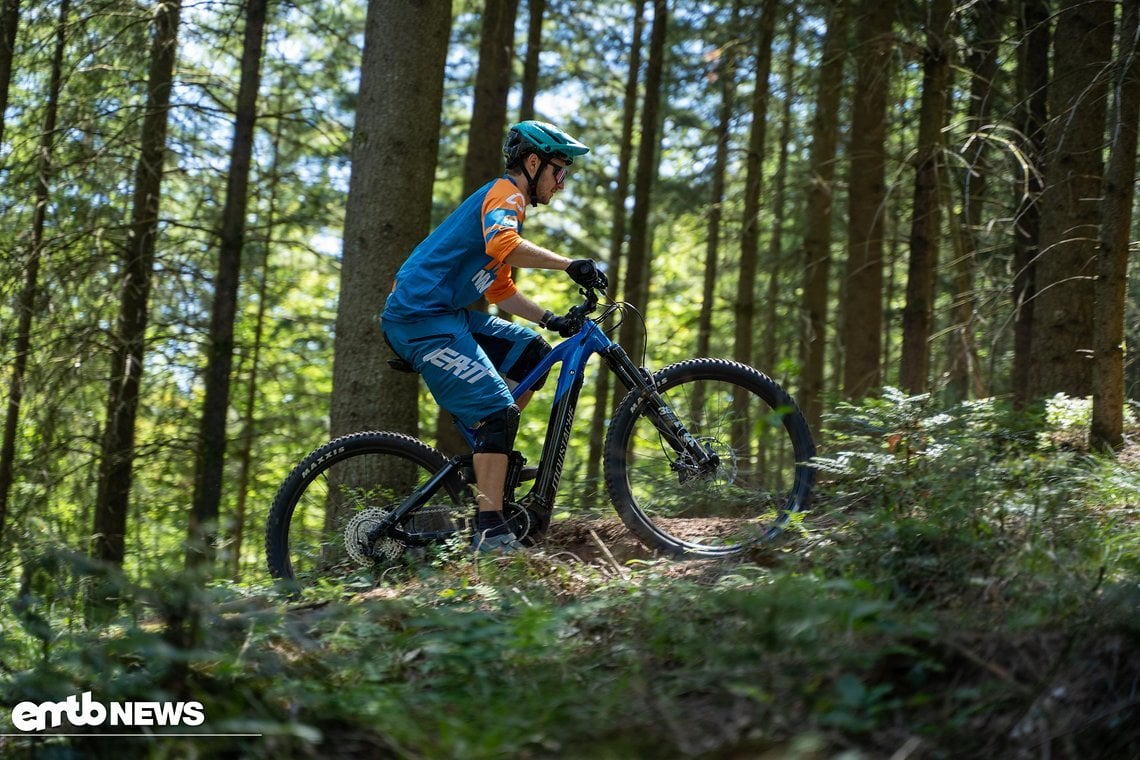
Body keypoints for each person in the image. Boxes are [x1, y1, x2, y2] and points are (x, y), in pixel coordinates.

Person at [381, 121, 609, 552]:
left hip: (446, 315)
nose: (562, 183)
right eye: (559, 172)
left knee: (532, 354)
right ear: (533, 162)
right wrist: (569, 264)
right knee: (498, 412)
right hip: (418, 320)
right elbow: (505, 244)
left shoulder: (510, 202)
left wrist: (550, 319)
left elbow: (499, 288)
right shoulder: (505, 194)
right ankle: (490, 529)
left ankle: (488, 449)